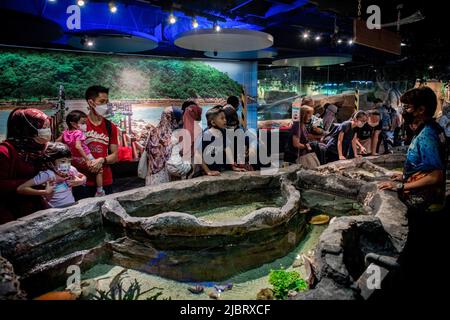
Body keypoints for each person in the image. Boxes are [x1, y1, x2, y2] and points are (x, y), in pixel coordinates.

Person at [379, 87, 447, 212]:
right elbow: (424, 167)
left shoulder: (427, 135)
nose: (403, 111)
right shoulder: (432, 128)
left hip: (424, 202)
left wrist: (401, 186)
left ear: (421, 109)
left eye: (407, 107)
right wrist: (406, 176)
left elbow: (435, 176)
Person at [0, 108, 51, 223]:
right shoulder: (5, 152)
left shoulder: (42, 147)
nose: (48, 131)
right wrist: (36, 181)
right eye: (43, 127)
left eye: (48, 127)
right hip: (11, 209)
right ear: (28, 129)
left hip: (37, 204)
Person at [72, 86, 119, 200]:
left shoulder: (110, 127)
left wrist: (102, 160)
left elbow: (115, 156)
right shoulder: (79, 125)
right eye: (102, 102)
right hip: (81, 181)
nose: (106, 105)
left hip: (105, 181)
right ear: (91, 102)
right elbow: (71, 152)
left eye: (107, 102)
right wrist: (87, 163)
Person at [17, 142, 86, 209]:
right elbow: (20, 189)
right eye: (63, 161)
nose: (67, 164)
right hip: (54, 214)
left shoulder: (71, 170)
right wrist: (45, 192)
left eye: (69, 161)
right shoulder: (48, 175)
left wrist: (81, 181)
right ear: (51, 163)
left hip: (71, 209)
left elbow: (83, 177)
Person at [58, 110, 104, 197]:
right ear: (73, 124)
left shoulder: (65, 133)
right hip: (85, 156)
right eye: (82, 123)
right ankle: (100, 191)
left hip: (73, 158)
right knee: (99, 170)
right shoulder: (78, 133)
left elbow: (57, 142)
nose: (84, 125)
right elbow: (78, 146)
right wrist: (87, 159)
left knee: (76, 172)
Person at [144, 107, 190, 186]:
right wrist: (188, 166)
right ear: (174, 120)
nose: (182, 121)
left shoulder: (153, 132)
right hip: (164, 183)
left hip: (151, 178)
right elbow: (175, 167)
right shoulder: (171, 138)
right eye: (181, 119)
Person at [196, 106, 246, 176]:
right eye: (222, 118)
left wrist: (233, 166)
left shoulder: (223, 132)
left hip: (220, 168)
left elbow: (227, 148)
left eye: (225, 118)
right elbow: (197, 154)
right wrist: (208, 171)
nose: (225, 120)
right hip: (208, 169)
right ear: (213, 123)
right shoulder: (206, 134)